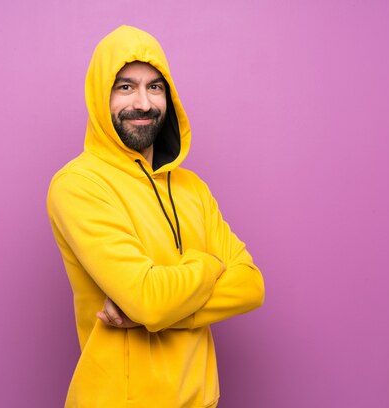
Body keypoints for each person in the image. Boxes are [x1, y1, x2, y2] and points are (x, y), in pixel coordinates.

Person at [47, 25, 265, 408]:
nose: (144, 103)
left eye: (156, 87)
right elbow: (148, 301)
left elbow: (250, 285)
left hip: (201, 399)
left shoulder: (191, 187)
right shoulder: (79, 185)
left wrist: (163, 311)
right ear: (100, 95)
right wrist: (210, 264)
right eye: (125, 87)